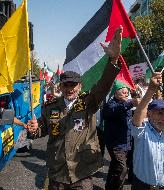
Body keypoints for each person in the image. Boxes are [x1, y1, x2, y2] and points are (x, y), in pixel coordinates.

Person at [27, 27, 124, 190]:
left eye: (74, 85)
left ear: (80, 86)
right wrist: (34, 129)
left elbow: (103, 86)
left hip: (81, 172)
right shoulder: (50, 107)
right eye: (66, 85)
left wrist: (113, 60)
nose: (70, 89)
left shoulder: (89, 103)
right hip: (57, 173)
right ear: (61, 86)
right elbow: (42, 130)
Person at [103, 80, 139, 190]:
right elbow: (115, 110)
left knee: (116, 167)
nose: (125, 93)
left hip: (126, 143)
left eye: (127, 92)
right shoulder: (110, 104)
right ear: (115, 92)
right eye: (122, 91)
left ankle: (109, 187)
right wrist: (131, 102)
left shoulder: (127, 105)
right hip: (115, 144)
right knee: (121, 168)